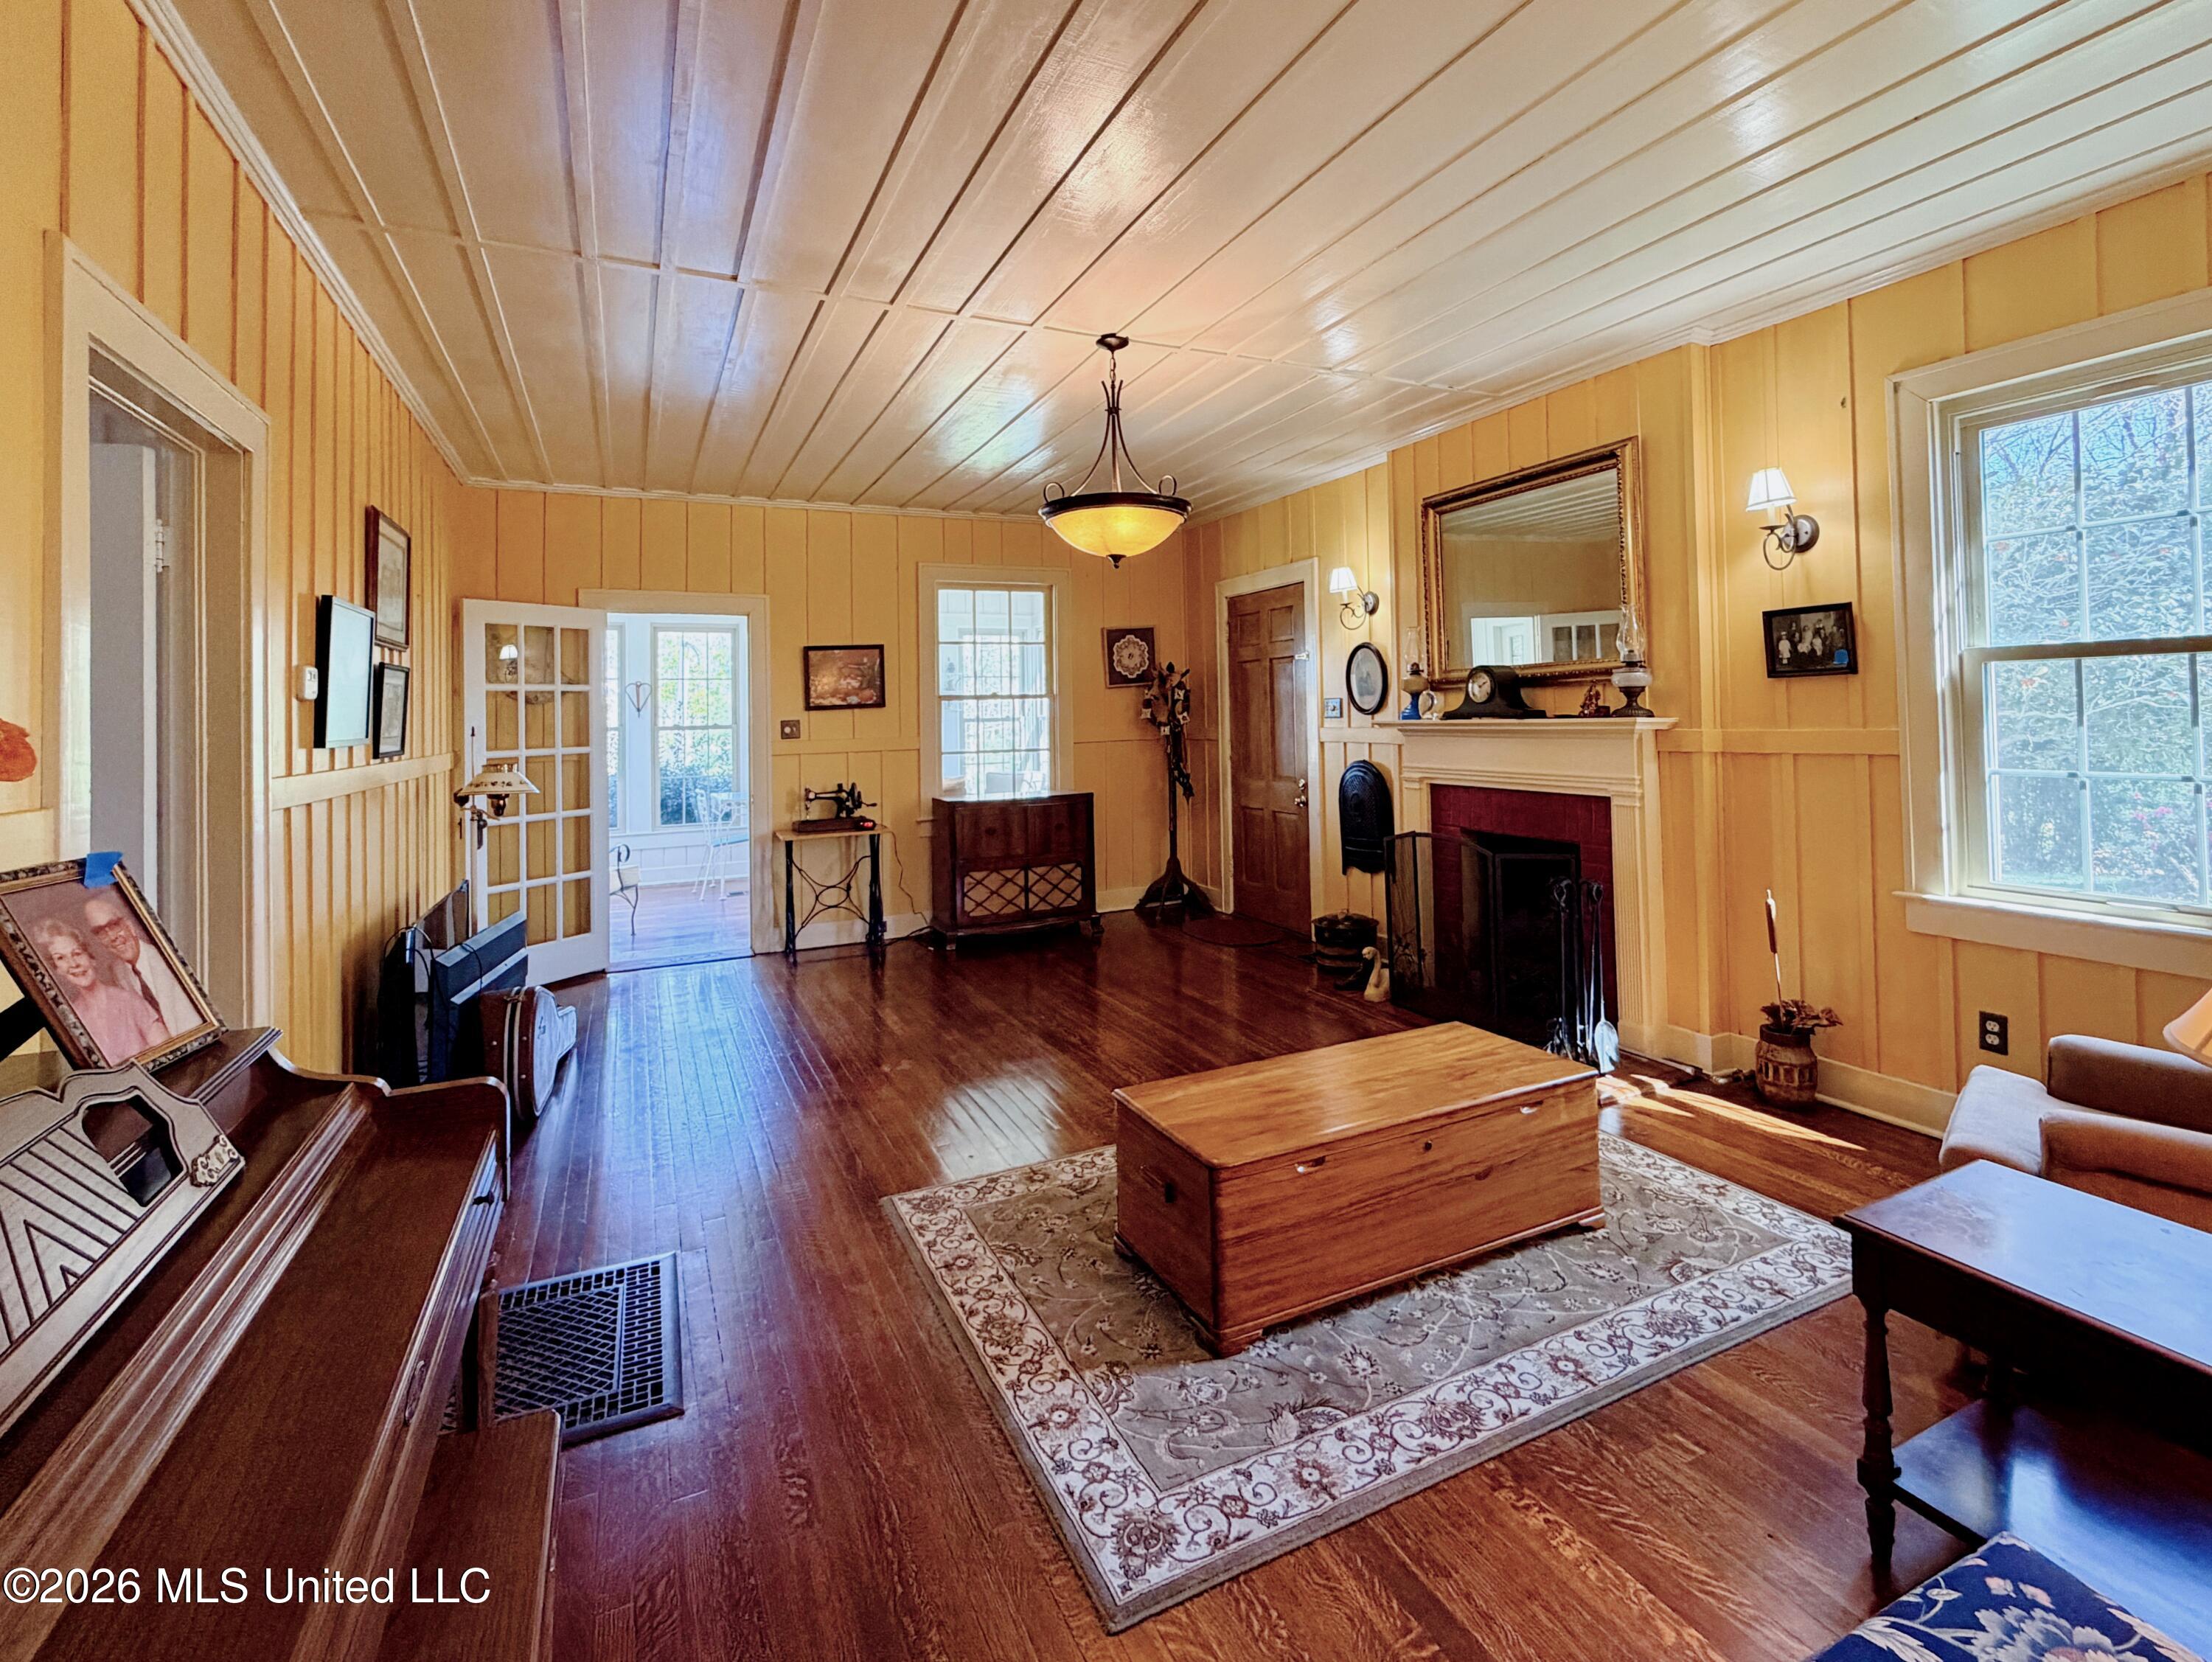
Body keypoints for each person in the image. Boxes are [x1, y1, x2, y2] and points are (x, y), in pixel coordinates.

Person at [28, 917, 167, 1062]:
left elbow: (168, 1052)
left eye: (77, 953)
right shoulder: (71, 1018)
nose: (74, 964)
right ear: (58, 970)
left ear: (91, 958)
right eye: (61, 958)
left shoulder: (129, 1001)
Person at [83, 890, 201, 1036]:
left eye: (114, 925)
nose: (112, 937)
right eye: (101, 932)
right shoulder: (117, 971)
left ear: (129, 925)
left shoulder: (167, 956)